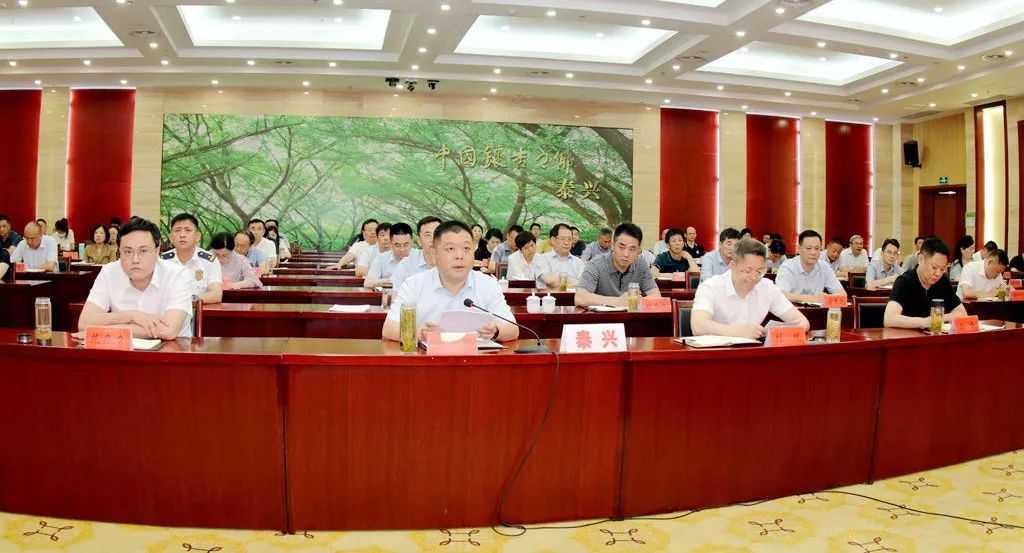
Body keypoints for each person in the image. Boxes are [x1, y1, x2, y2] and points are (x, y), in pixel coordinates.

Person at [383, 221, 518, 343]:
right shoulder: (415, 285)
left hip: (475, 359)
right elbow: (389, 328)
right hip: (429, 359)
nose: (459, 256)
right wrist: (419, 334)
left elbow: (513, 329)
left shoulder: (487, 284)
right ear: (435, 254)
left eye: (466, 248)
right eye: (450, 249)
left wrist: (496, 332)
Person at [79, 217, 193, 339]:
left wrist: (104, 330)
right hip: (122, 349)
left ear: (156, 251)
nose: (135, 260)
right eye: (128, 252)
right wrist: (131, 316)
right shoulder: (109, 272)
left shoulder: (178, 274)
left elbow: (167, 331)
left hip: (172, 349)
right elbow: (84, 323)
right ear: (119, 252)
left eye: (143, 251)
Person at [691, 238, 810, 338]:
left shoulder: (767, 287)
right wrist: (737, 332)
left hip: (753, 352)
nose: (753, 277)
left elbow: (803, 322)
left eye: (759, 271)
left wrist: (775, 333)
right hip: (717, 354)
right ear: (732, 265)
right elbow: (698, 326)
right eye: (747, 271)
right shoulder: (710, 287)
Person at [884, 237, 968, 329]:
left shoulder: (942, 281)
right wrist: (924, 322)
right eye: (934, 267)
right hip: (907, 335)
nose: (938, 273)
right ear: (921, 259)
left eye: (942, 269)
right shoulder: (904, 281)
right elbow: (889, 319)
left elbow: (962, 313)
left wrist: (938, 319)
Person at [574, 223, 661, 308]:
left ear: (638, 250)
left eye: (632, 249)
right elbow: (580, 298)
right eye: (621, 247)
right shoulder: (596, 264)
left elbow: (656, 296)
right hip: (602, 317)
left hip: (631, 316)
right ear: (613, 245)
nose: (626, 254)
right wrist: (618, 301)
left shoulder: (641, 265)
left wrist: (634, 301)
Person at [159, 213, 223, 304]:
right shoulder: (161, 261)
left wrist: (188, 299)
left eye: (188, 230)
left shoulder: (209, 261)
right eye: (177, 230)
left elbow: (216, 295)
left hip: (197, 310)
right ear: (171, 238)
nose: (182, 235)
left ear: (197, 236)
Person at [775, 230, 846, 304]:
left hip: (818, 310)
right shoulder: (788, 266)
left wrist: (826, 299)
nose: (813, 253)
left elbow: (843, 295)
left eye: (817, 248)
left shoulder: (824, 266)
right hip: (793, 309)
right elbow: (781, 295)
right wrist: (813, 298)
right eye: (808, 248)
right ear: (799, 249)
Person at [392, 216, 442, 290]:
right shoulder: (406, 265)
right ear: (419, 241)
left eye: (436, 234)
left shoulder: (456, 262)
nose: (432, 239)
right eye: (427, 235)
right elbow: (397, 295)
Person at [365, 222, 413, 288]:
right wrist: (390, 280)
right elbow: (367, 283)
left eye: (405, 245)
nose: (402, 249)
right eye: (397, 245)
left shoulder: (419, 257)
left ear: (412, 242)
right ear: (391, 242)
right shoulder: (381, 258)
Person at [538, 223, 585, 289]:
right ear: (553, 240)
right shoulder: (542, 259)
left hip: (574, 296)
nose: (566, 243)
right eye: (563, 239)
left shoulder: (579, 262)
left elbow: (584, 284)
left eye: (570, 239)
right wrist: (574, 282)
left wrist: (559, 281)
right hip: (548, 295)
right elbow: (550, 281)